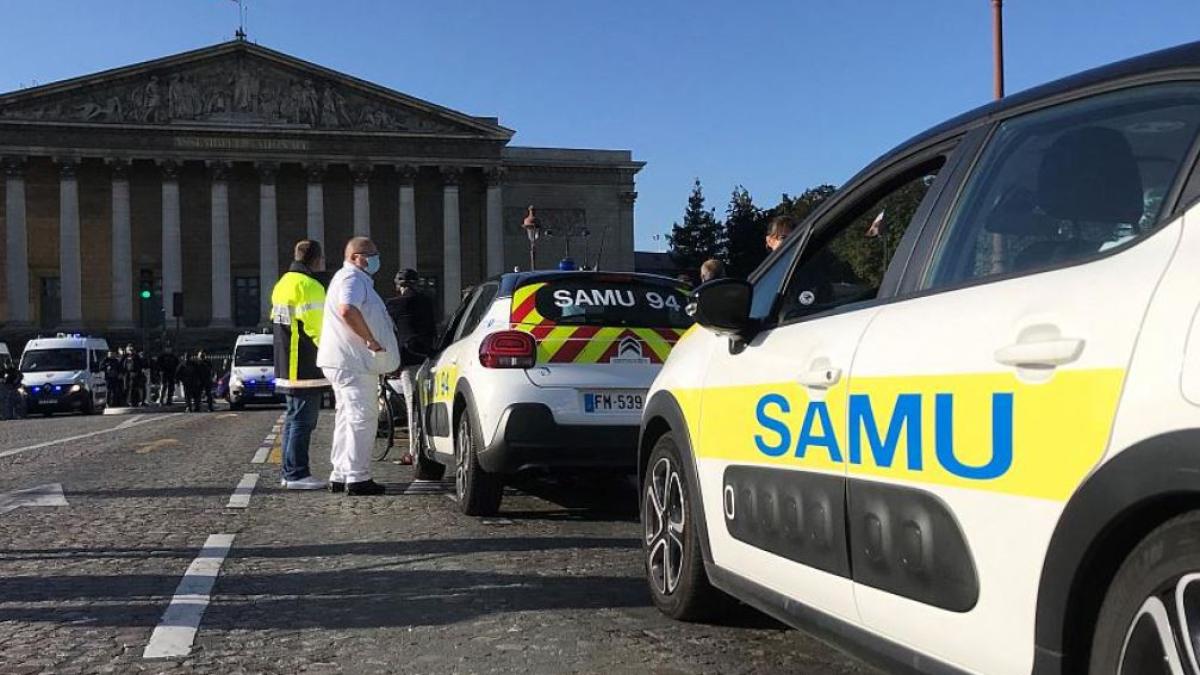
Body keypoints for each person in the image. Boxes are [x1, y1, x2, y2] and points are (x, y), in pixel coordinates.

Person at [316, 236, 400, 496]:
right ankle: (357, 476)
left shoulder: (353, 279)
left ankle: (340, 473)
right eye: (372, 254)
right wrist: (370, 339)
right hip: (353, 361)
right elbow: (347, 310)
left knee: (346, 416)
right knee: (362, 417)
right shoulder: (351, 279)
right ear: (356, 257)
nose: (376, 259)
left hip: (345, 360)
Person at [271, 239, 330, 490]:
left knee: (294, 419)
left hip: (286, 363)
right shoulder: (310, 286)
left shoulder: (282, 283)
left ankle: (290, 472)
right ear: (316, 260)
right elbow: (319, 329)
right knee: (303, 422)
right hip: (305, 363)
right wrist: (331, 355)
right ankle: (296, 474)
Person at [386, 268, 436, 464]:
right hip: (428, 358)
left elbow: (390, 333)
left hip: (408, 360)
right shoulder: (427, 301)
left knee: (412, 407)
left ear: (399, 286)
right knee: (428, 405)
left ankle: (415, 453)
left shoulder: (393, 305)